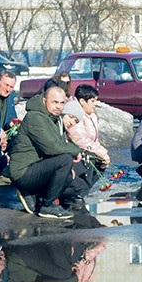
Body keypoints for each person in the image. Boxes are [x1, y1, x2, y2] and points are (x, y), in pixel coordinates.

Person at [7, 85, 84, 220]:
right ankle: (48, 206)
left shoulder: (54, 119)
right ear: (44, 101)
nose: (58, 106)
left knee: (68, 177)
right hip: (23, 172)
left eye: (62, 103)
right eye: (54, 102)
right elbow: (53, 148)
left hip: (35, 167)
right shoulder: (35, 117)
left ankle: (34, 194)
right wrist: (76, 151)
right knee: (65, 159)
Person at [66, 85, 109, 168]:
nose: (95, 104)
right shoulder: (75, 114)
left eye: (96, 100)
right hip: (76, 157)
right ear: (82, 101)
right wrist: (101, 153)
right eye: (92, 101)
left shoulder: (91, 115)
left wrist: (102, 152)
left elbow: (94, 140)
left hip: (89, 152)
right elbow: (79, 140)